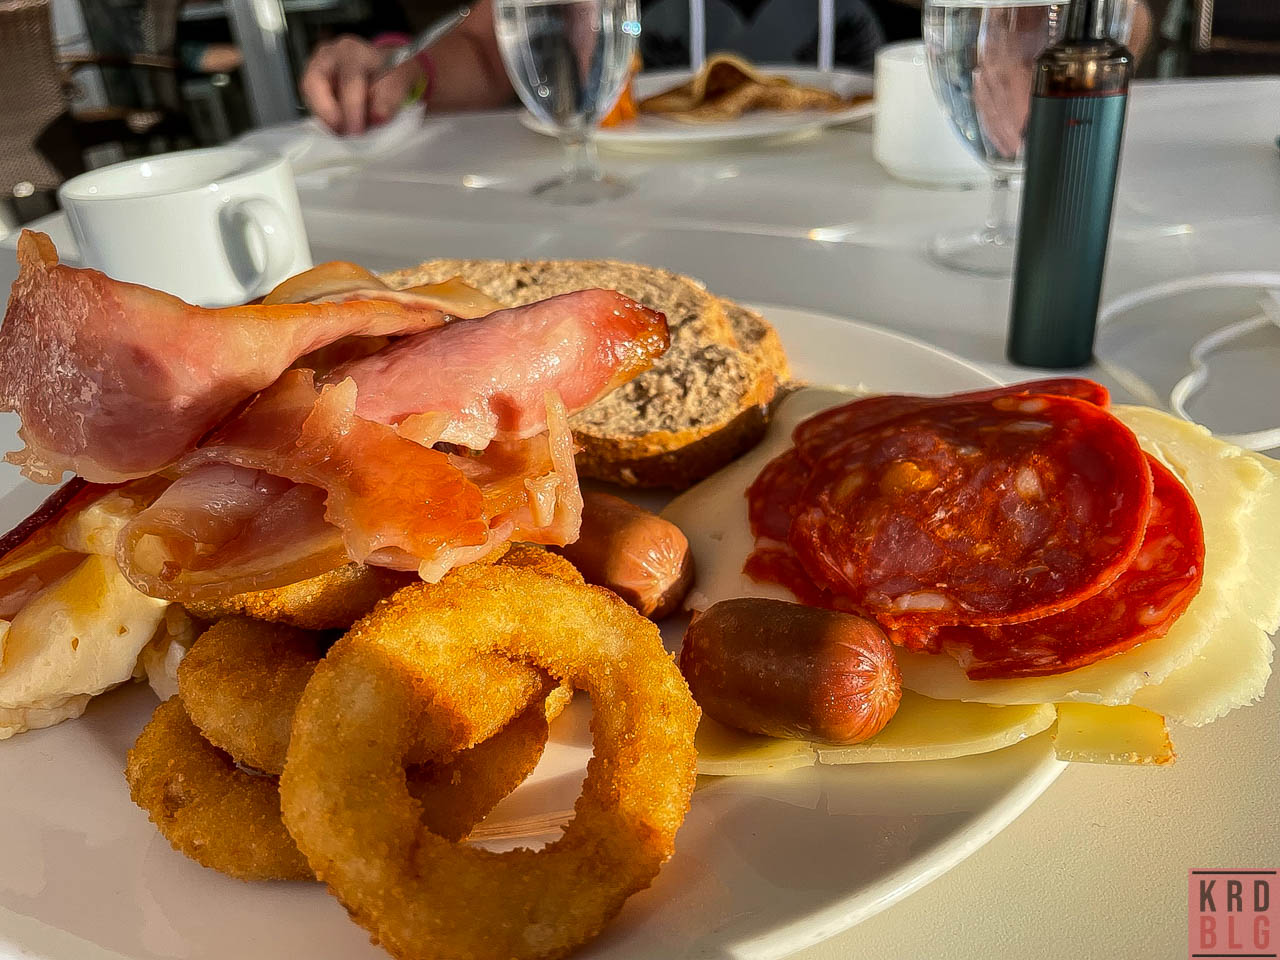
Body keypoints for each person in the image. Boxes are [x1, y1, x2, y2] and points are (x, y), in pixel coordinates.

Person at [300, 0, 1152, 135]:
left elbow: (1118, 24)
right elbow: (491, 53)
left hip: (887, 206)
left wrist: (1045, 44)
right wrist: (398, 72)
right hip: (638, 209)